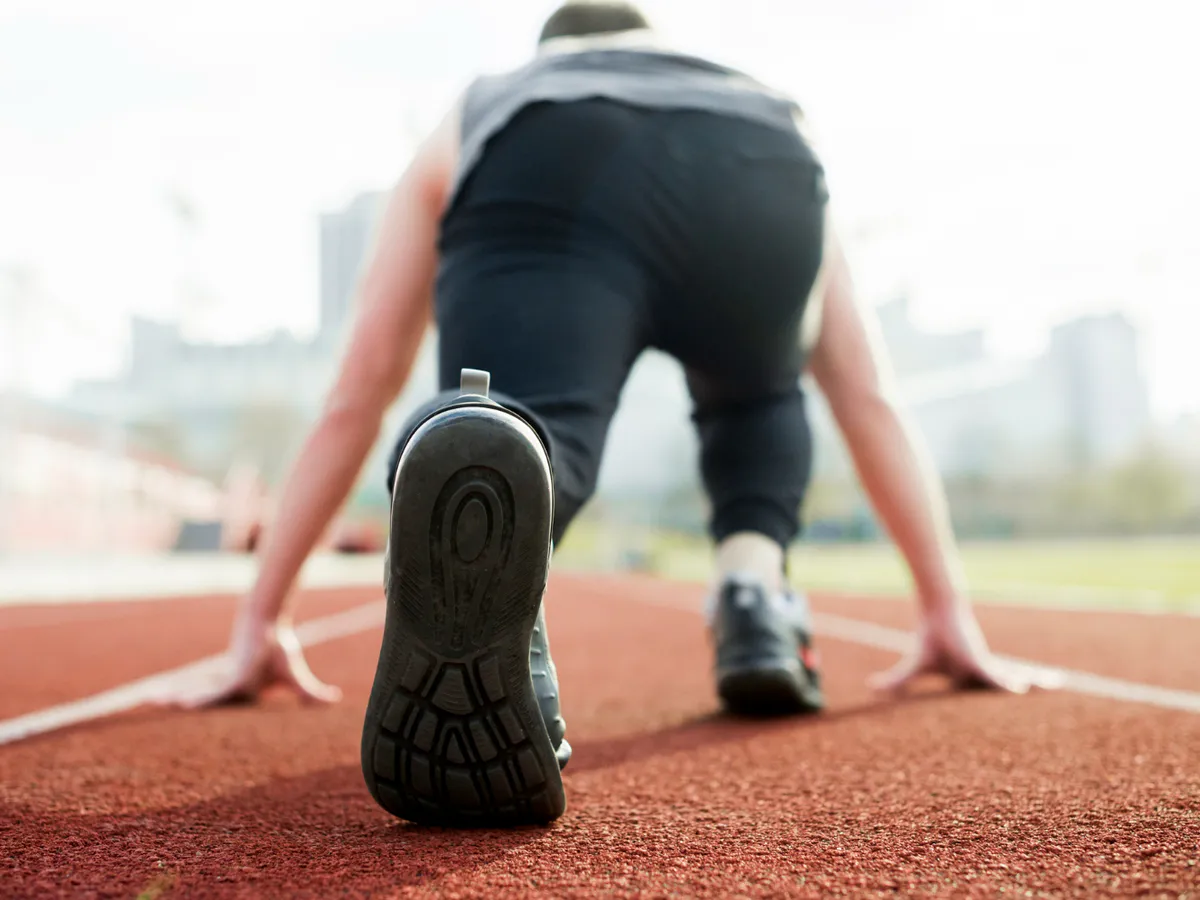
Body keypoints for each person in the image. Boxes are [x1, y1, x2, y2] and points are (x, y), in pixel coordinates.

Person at [166, 1, 1049, 827]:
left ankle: (499, 513)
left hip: (551, 150)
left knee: (523, 426)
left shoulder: (496, 95)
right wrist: (946, 608)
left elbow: (361, 382)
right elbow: (867, 394)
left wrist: (261, 621)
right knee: (760, 392)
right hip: (763, 166)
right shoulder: (756, 94)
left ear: (554, 47)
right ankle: (754, 591)